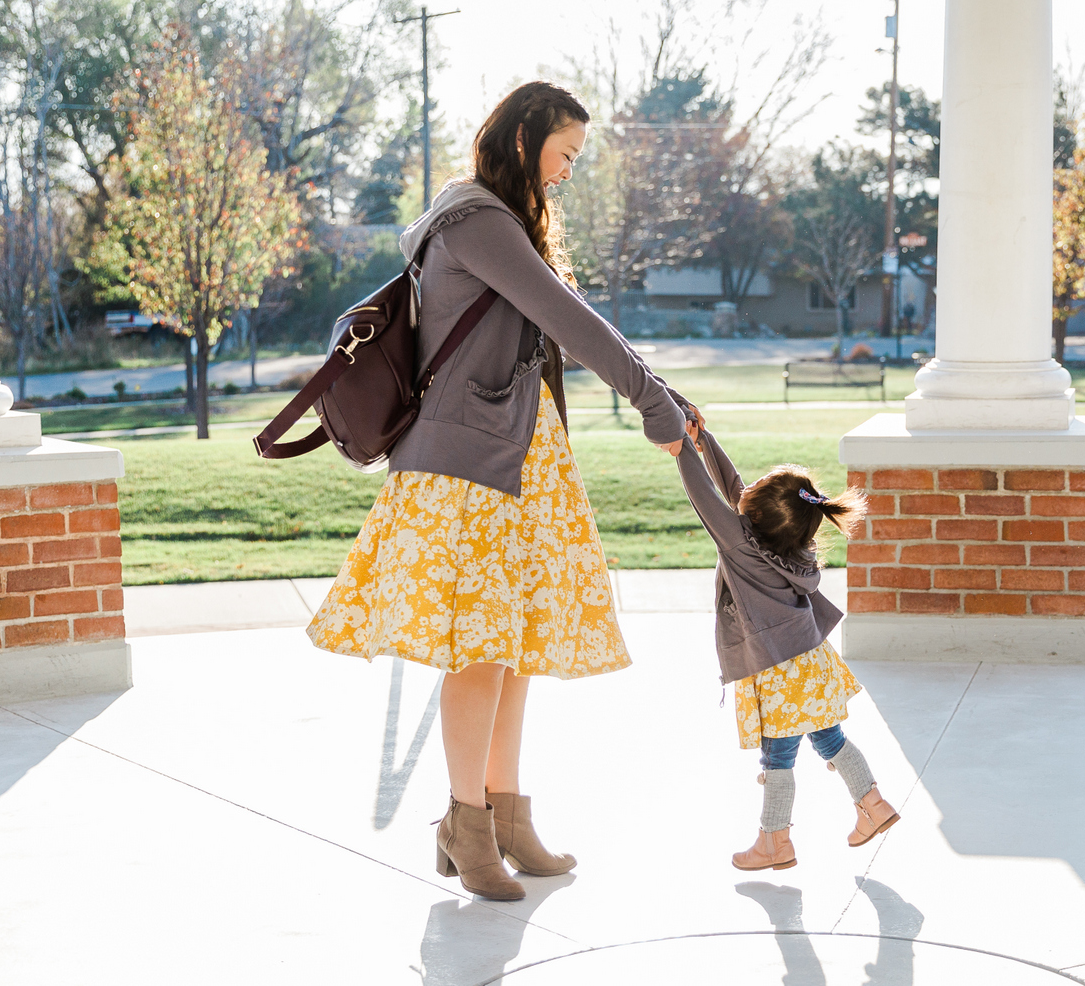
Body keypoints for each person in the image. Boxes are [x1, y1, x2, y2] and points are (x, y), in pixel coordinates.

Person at [304, 82, 694, 901]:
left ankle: (508, 817)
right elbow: (573, 318)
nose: (567, 173)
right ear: (524, 139)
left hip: (519, 457)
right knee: (479, 649)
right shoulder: (477, 219)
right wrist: (653, 398)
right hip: (467, 465)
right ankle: (465, 823)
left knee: (514, 646)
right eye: (564, 154)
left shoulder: (505, 222)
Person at [672, 413, 899, 870]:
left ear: (752, 517)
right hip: (809, 660)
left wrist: (682, 451)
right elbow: (734, 492)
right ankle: (873, 804)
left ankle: (774, 841)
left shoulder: (739, 545)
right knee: (830, 739)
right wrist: (704, 442)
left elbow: (706, 500)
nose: (746, 485)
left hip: (777, 668)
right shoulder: (791, 543)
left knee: (777, 757)